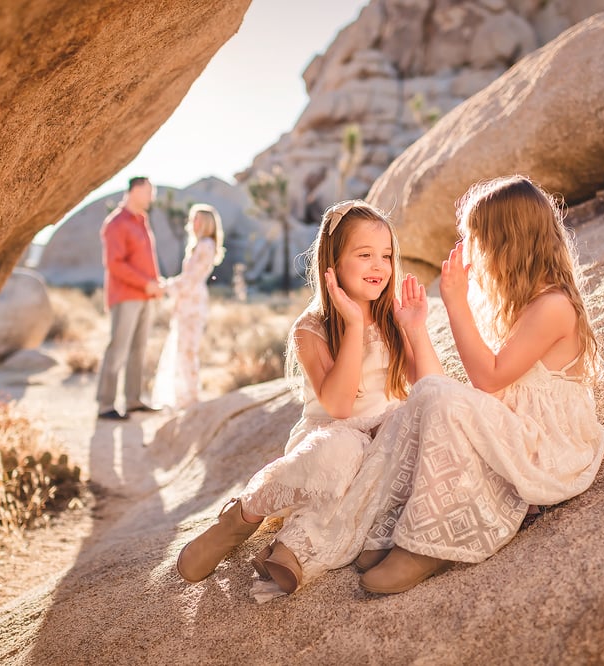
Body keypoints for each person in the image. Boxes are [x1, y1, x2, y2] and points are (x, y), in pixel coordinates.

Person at [355, 175, 604, 594]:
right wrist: (415, 330)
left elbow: (486, 380)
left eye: (476, 240)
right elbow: (441, 393)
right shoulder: (523, 306)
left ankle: (427, 543)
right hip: (517, 432)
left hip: (546, 448)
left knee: (439, 397)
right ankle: (390, 522)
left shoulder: (554, 306)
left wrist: (455, 304)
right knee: (423, 399)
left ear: (507, 242)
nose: (471, 252)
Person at [175, 200, 441, 597]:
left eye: (386, 255)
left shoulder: (393, 318)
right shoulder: (312, 328)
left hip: (381, 441)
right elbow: (339, 408)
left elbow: (432, 389)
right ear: (332, 262)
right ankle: (246, 514)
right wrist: (352, 324)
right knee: (344, 451)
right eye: (364, 255)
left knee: (389, 456)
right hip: (330, 439)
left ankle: (289, 550)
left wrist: (416, 331)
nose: (379, 266)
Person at [95, 176, 165, 420]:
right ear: (134, 191)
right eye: (148, 191)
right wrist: (146, 284)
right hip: (126, 295)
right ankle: (105, 405)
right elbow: (115, 265)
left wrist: (155, 283)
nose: (151, 197)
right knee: (118, 348)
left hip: (146, 296)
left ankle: (134, 400)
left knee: (139, 349)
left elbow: (145, 261)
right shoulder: (116, 223)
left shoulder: (142, 221)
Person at [151, 204, 225, 410]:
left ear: (208, 223)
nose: (194, 223)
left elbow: (191, 279)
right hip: (187, 302)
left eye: (198, 219)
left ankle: (191, 396)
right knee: (183, 349)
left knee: (188, 350)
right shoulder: (199, 245)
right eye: (193, 218)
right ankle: (184, 395)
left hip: (192, 303)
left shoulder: (206, 245)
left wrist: (166, 286)